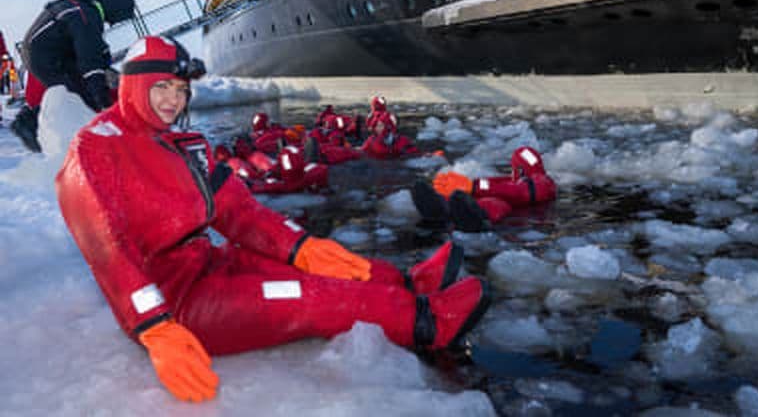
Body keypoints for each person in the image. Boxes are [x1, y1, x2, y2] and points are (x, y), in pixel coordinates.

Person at [55, 35, 490, 403]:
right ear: (136, 85)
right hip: (176, 303)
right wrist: (155, 328)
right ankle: (426, 322)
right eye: (162, 86)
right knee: (307, 296)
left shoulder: (184, 143)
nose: (174, 99)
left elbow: (237, 210)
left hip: (210, 263)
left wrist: (301, 246)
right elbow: (107, 249)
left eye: (181, 88)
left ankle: (404, 283)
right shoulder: (96, 148)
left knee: (315, 266)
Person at [11, 0, 134, 152]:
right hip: (45, 56)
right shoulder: (85, 15)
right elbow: (89, 60)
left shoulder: (82, 8)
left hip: (44, 52)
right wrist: (103, 101)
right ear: (115, 8)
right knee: (77, 97)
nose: (112, 23)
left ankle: (90, 138)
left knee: (80, 92)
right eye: (118, 18)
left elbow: (88, 47)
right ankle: (30, 124)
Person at [412, 146, 557, 232]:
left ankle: (470, 217)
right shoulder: (516, 181)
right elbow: (498, 185)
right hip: (511, 218)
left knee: (493, 202)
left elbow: (522, 192)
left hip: (513, 220)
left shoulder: (543, 183)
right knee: (466, 198)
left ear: (519, 169)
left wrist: (473, 187)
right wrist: (459, 188)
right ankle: (442, 206)